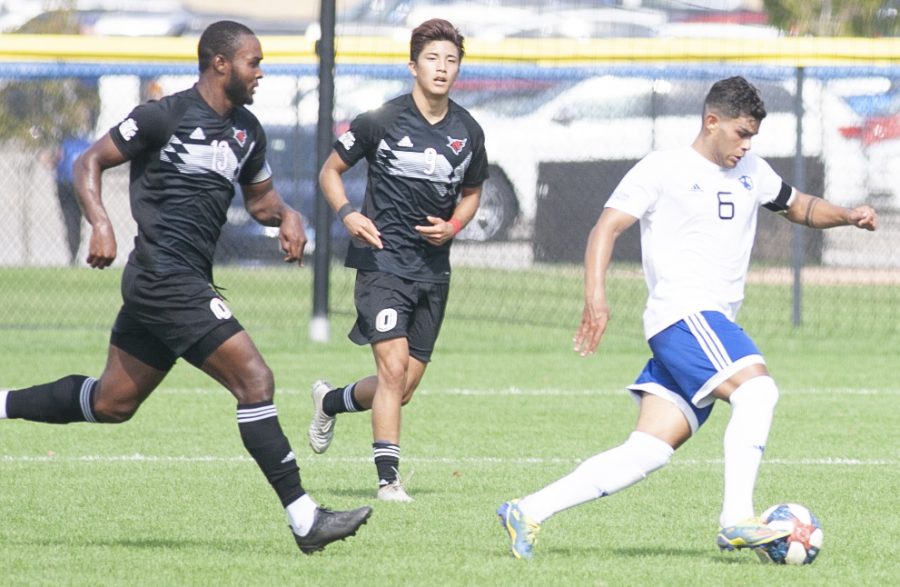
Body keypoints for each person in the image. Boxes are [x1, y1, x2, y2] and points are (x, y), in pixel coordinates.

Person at [0, 20, 371, 555]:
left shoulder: (248, 131)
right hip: (163, 278)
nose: (260, 72)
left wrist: (288, 216)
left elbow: (262, 202)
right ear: (220, 63)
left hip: (180, 281)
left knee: (112, 402)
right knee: (255, 379)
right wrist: (101, 224)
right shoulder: (162, 116)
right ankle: (305, 518)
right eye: (253, 62)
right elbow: (89, 162)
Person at [497, 76, 878, 559]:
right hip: (685, 315)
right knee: (758, 391)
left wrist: (848, 214)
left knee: (649, 449)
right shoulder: (663, 168)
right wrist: (596, 296)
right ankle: (737, 518)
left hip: (703, 323)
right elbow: (606, 227)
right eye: (740, 133)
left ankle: (526, 510)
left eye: (753, 136)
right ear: (711, 121)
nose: (747, 144)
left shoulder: (753, 170)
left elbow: (799, 206)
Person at [310, 18, 489, 502]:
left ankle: (330, 400)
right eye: (432, 58)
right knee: (391, 371)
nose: (442, 68)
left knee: (403, 385)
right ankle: (389, 479)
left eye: (451, 60)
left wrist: (454, 226)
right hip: (381, 263)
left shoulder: (469, 130)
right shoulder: (380, 120)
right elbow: (330, 171)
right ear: (413, 66)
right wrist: (347, 214)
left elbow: (472, 193)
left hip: (433, 271)